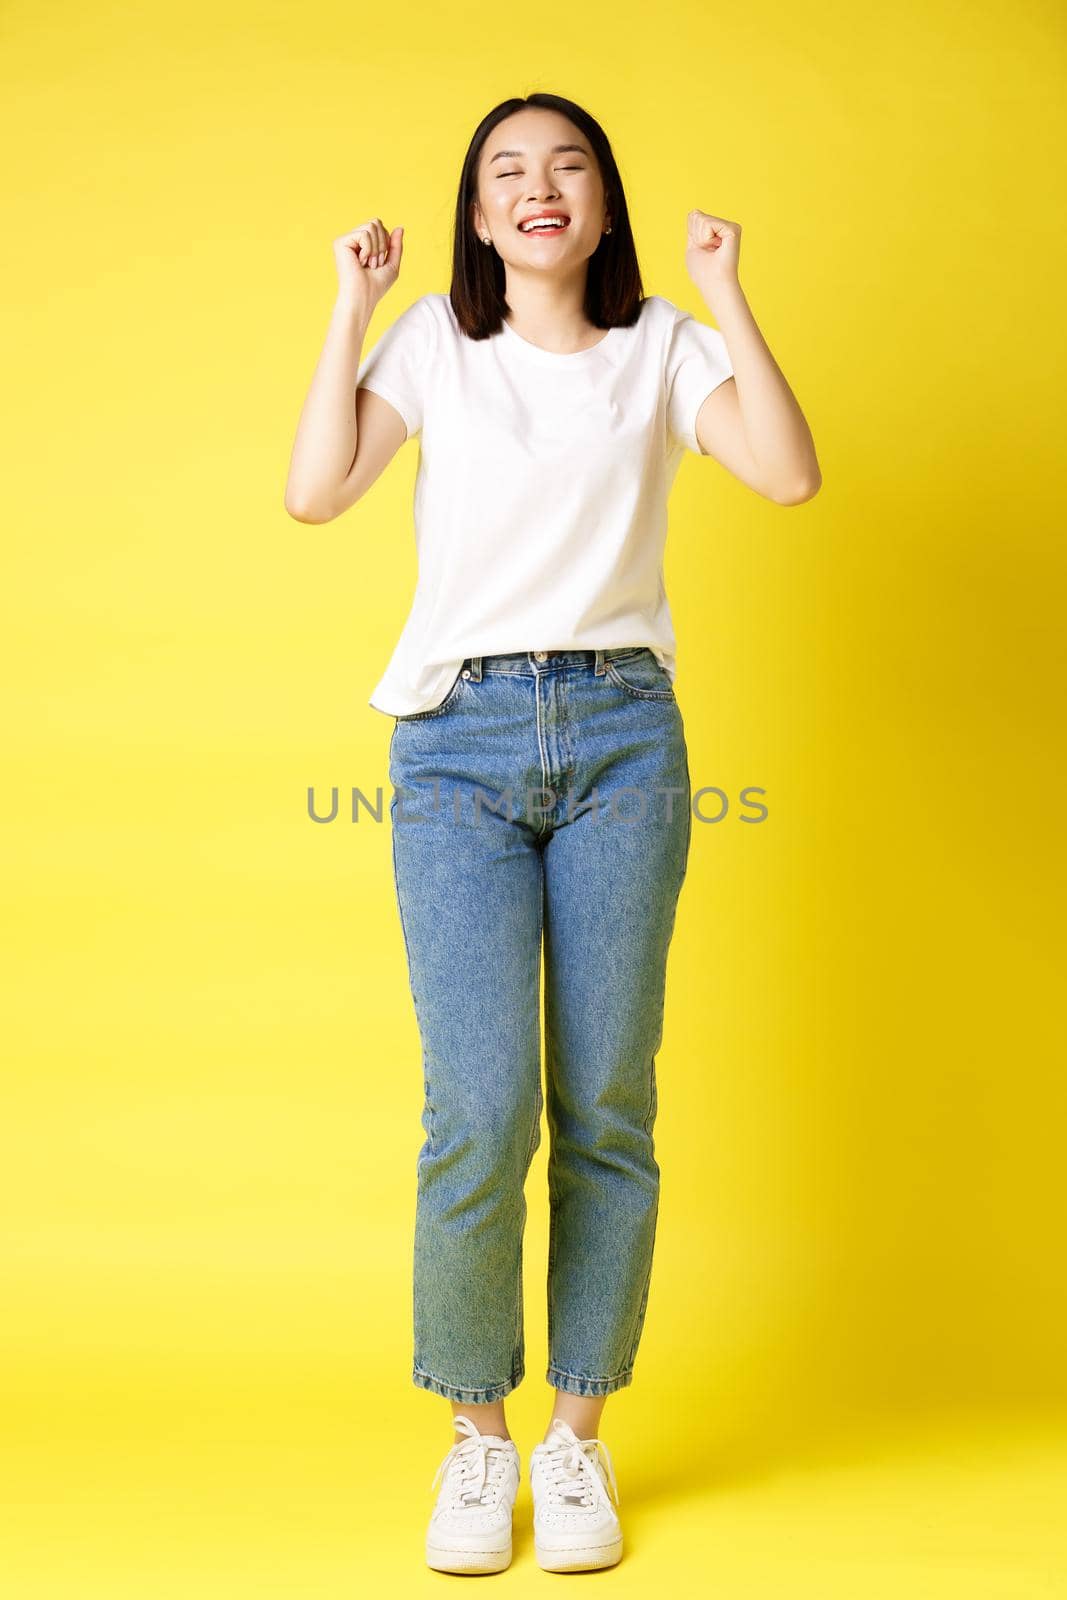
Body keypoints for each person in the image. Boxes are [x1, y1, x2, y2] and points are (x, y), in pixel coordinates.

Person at [285, 91, 821, 1576]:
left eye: (566, 167)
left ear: (601, 203)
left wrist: (725, 291)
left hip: (623, 739)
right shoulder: (435, 350)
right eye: (507, 172)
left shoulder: (661, 350)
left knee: (605, 1103)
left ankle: (576, 1446)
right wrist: (352, 301)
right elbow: (314, 491)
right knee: (479, 1109)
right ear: (475, 213)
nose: (538, 189)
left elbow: (784, 471)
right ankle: (476, 1441)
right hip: (455, 739)